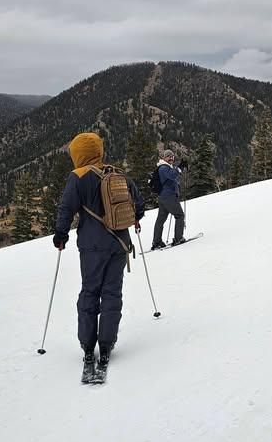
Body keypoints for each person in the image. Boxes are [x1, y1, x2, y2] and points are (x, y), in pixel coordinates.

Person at [53, 132, 145, 373]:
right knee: (112, 292)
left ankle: (87, 343)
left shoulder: (78, 177)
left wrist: (61, 234)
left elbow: (66, 208)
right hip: (119, 244)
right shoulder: (116, 173)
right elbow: (139, 204)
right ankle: (107, 342)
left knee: (90, 291)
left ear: (77, 153)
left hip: (91, 246)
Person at [151, 149, 188, 249]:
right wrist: (179, 168)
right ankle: (178, 238)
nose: (171, 158)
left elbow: (172, 178)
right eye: (168, 156)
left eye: (172, 156)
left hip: (164, 197)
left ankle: (157, 241)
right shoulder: (163, 168)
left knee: (161, 219)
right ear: (164, 158)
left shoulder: (165, 167)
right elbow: (171, 175)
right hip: (169, 196)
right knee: (179, 215)